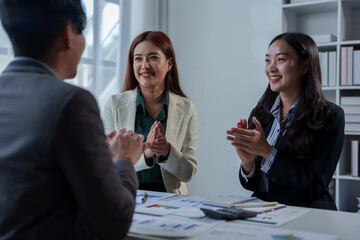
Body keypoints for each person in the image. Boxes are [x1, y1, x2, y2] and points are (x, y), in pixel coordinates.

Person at [0, 0, 145, 239]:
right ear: (68, 34)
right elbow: (114, 222)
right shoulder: (72, 102)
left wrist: (99, 158)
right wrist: (125, 159)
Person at [226, 32, 344, 210]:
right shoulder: (260, 114)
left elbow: (315, 187)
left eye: (280, 60)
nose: (271, 68)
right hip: (266, 213)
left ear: (304, 66)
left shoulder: (329, 116)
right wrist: (248, 163)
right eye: (268, 60)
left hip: (307, 214)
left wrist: (266, 151)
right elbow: (254, 185)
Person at [102, 31, 198, 194]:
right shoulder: (114, 104)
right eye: (138, 58)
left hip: (171, 199)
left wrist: (167, 152)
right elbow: (107, 163)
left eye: (153, 57)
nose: (145, 65)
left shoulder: (187, 108)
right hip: (125, 193)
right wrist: (146, 154)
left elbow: (188, 172)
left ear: (169, 64)